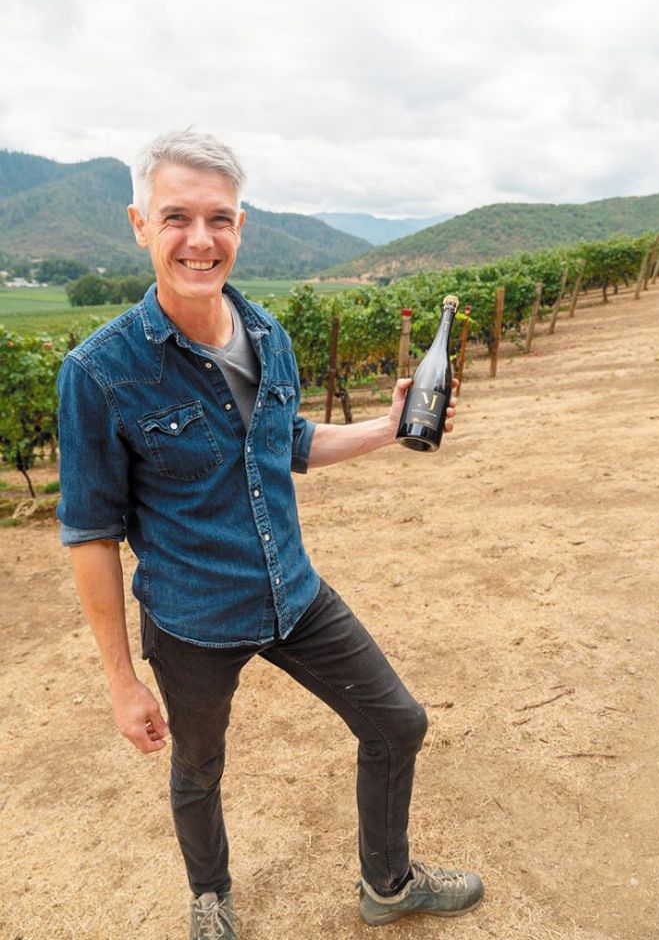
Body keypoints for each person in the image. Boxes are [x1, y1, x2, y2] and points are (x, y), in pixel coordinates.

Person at [57, 130, 484, 939]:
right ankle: (210, 895)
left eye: (218, 218)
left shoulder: (268, 335)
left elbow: (288, 443)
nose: (200, 239)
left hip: (295, 593)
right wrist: (120, 679)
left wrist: (388, 427)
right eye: (176, 217)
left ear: (240, 227)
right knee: (197, 766)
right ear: (140, 225)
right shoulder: (99, 372)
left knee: (397, 723)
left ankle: (388, 884)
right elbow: (90, 535)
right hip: (192, 619)